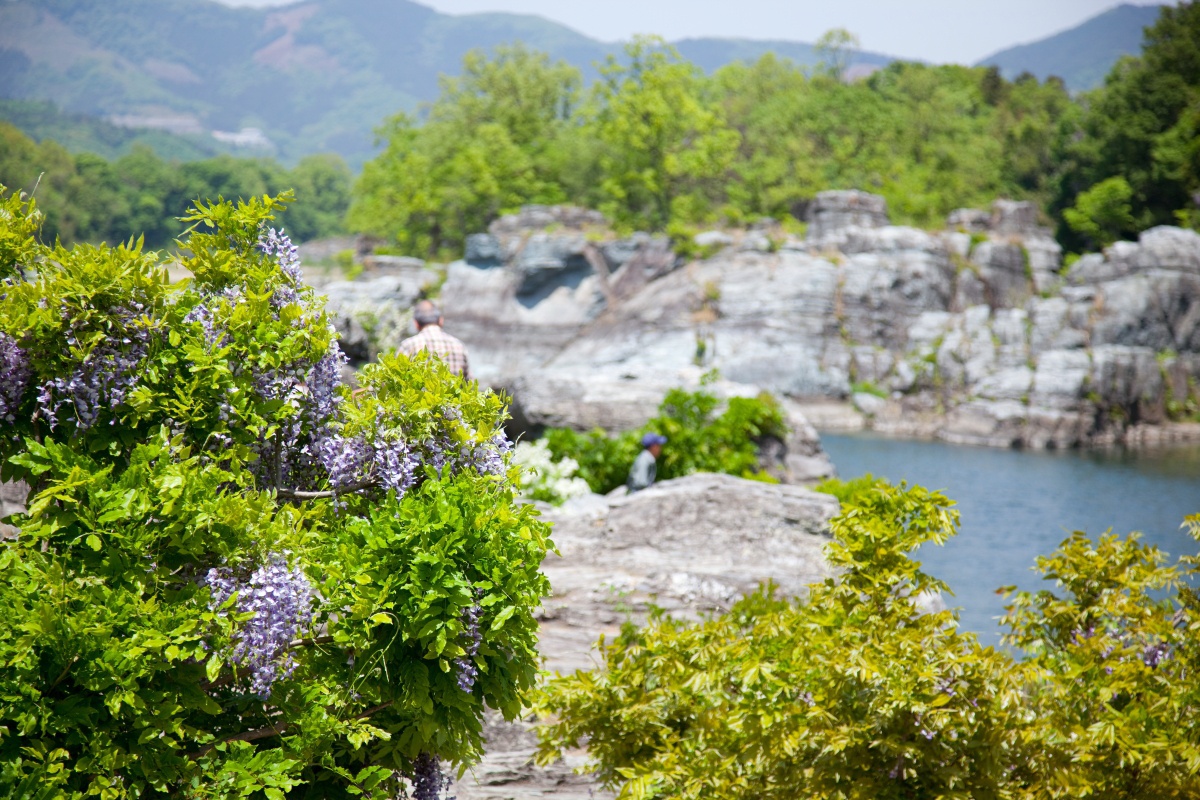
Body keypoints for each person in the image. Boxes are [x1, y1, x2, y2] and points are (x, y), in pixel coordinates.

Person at [398, 300, 471, 380]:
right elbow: (469, 384)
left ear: (416, 323)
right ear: (441, 320)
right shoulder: (458, 346)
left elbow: (396, 378)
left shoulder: (408, 346)